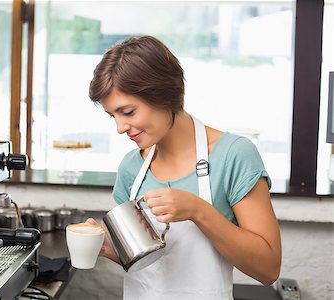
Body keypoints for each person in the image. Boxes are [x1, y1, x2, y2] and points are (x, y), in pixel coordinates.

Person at [86, 35, 281, 300]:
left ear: (164, 95)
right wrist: (110, 248)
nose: (120, 128)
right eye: (113, 116)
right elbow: (146, 267)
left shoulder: (233, 155)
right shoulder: (132, 167)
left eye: (128, 112)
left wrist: (197, 210)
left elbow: (268, 269)